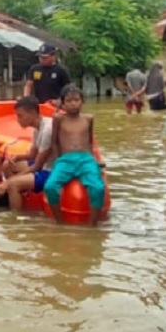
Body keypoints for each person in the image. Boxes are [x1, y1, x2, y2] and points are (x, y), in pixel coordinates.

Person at [44, 84, 106, 227]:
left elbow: (90, 142)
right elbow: (54, 143)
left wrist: (95, 162)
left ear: (82, 101)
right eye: (69, 101)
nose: (73, 104)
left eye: (76, 100)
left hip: (85, 159)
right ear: (63, 103)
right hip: (65, 160)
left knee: (98, 188)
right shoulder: (58, 119)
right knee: (50, 187)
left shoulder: (88, 118)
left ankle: (92, 225)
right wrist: (57, 161)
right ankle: (59, 222)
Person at [0, 96, 54, 210]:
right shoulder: (38, 127)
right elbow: (32, 155)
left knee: (13, 185)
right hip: (41, 165)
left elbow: (37, 166)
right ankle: (21, 194)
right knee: (8, 165)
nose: (18, 119)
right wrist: (16, 157)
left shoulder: (48, 130)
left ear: (32, 113)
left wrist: (9, 182)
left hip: (50, 170)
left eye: (20, 115)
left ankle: (16, 218)